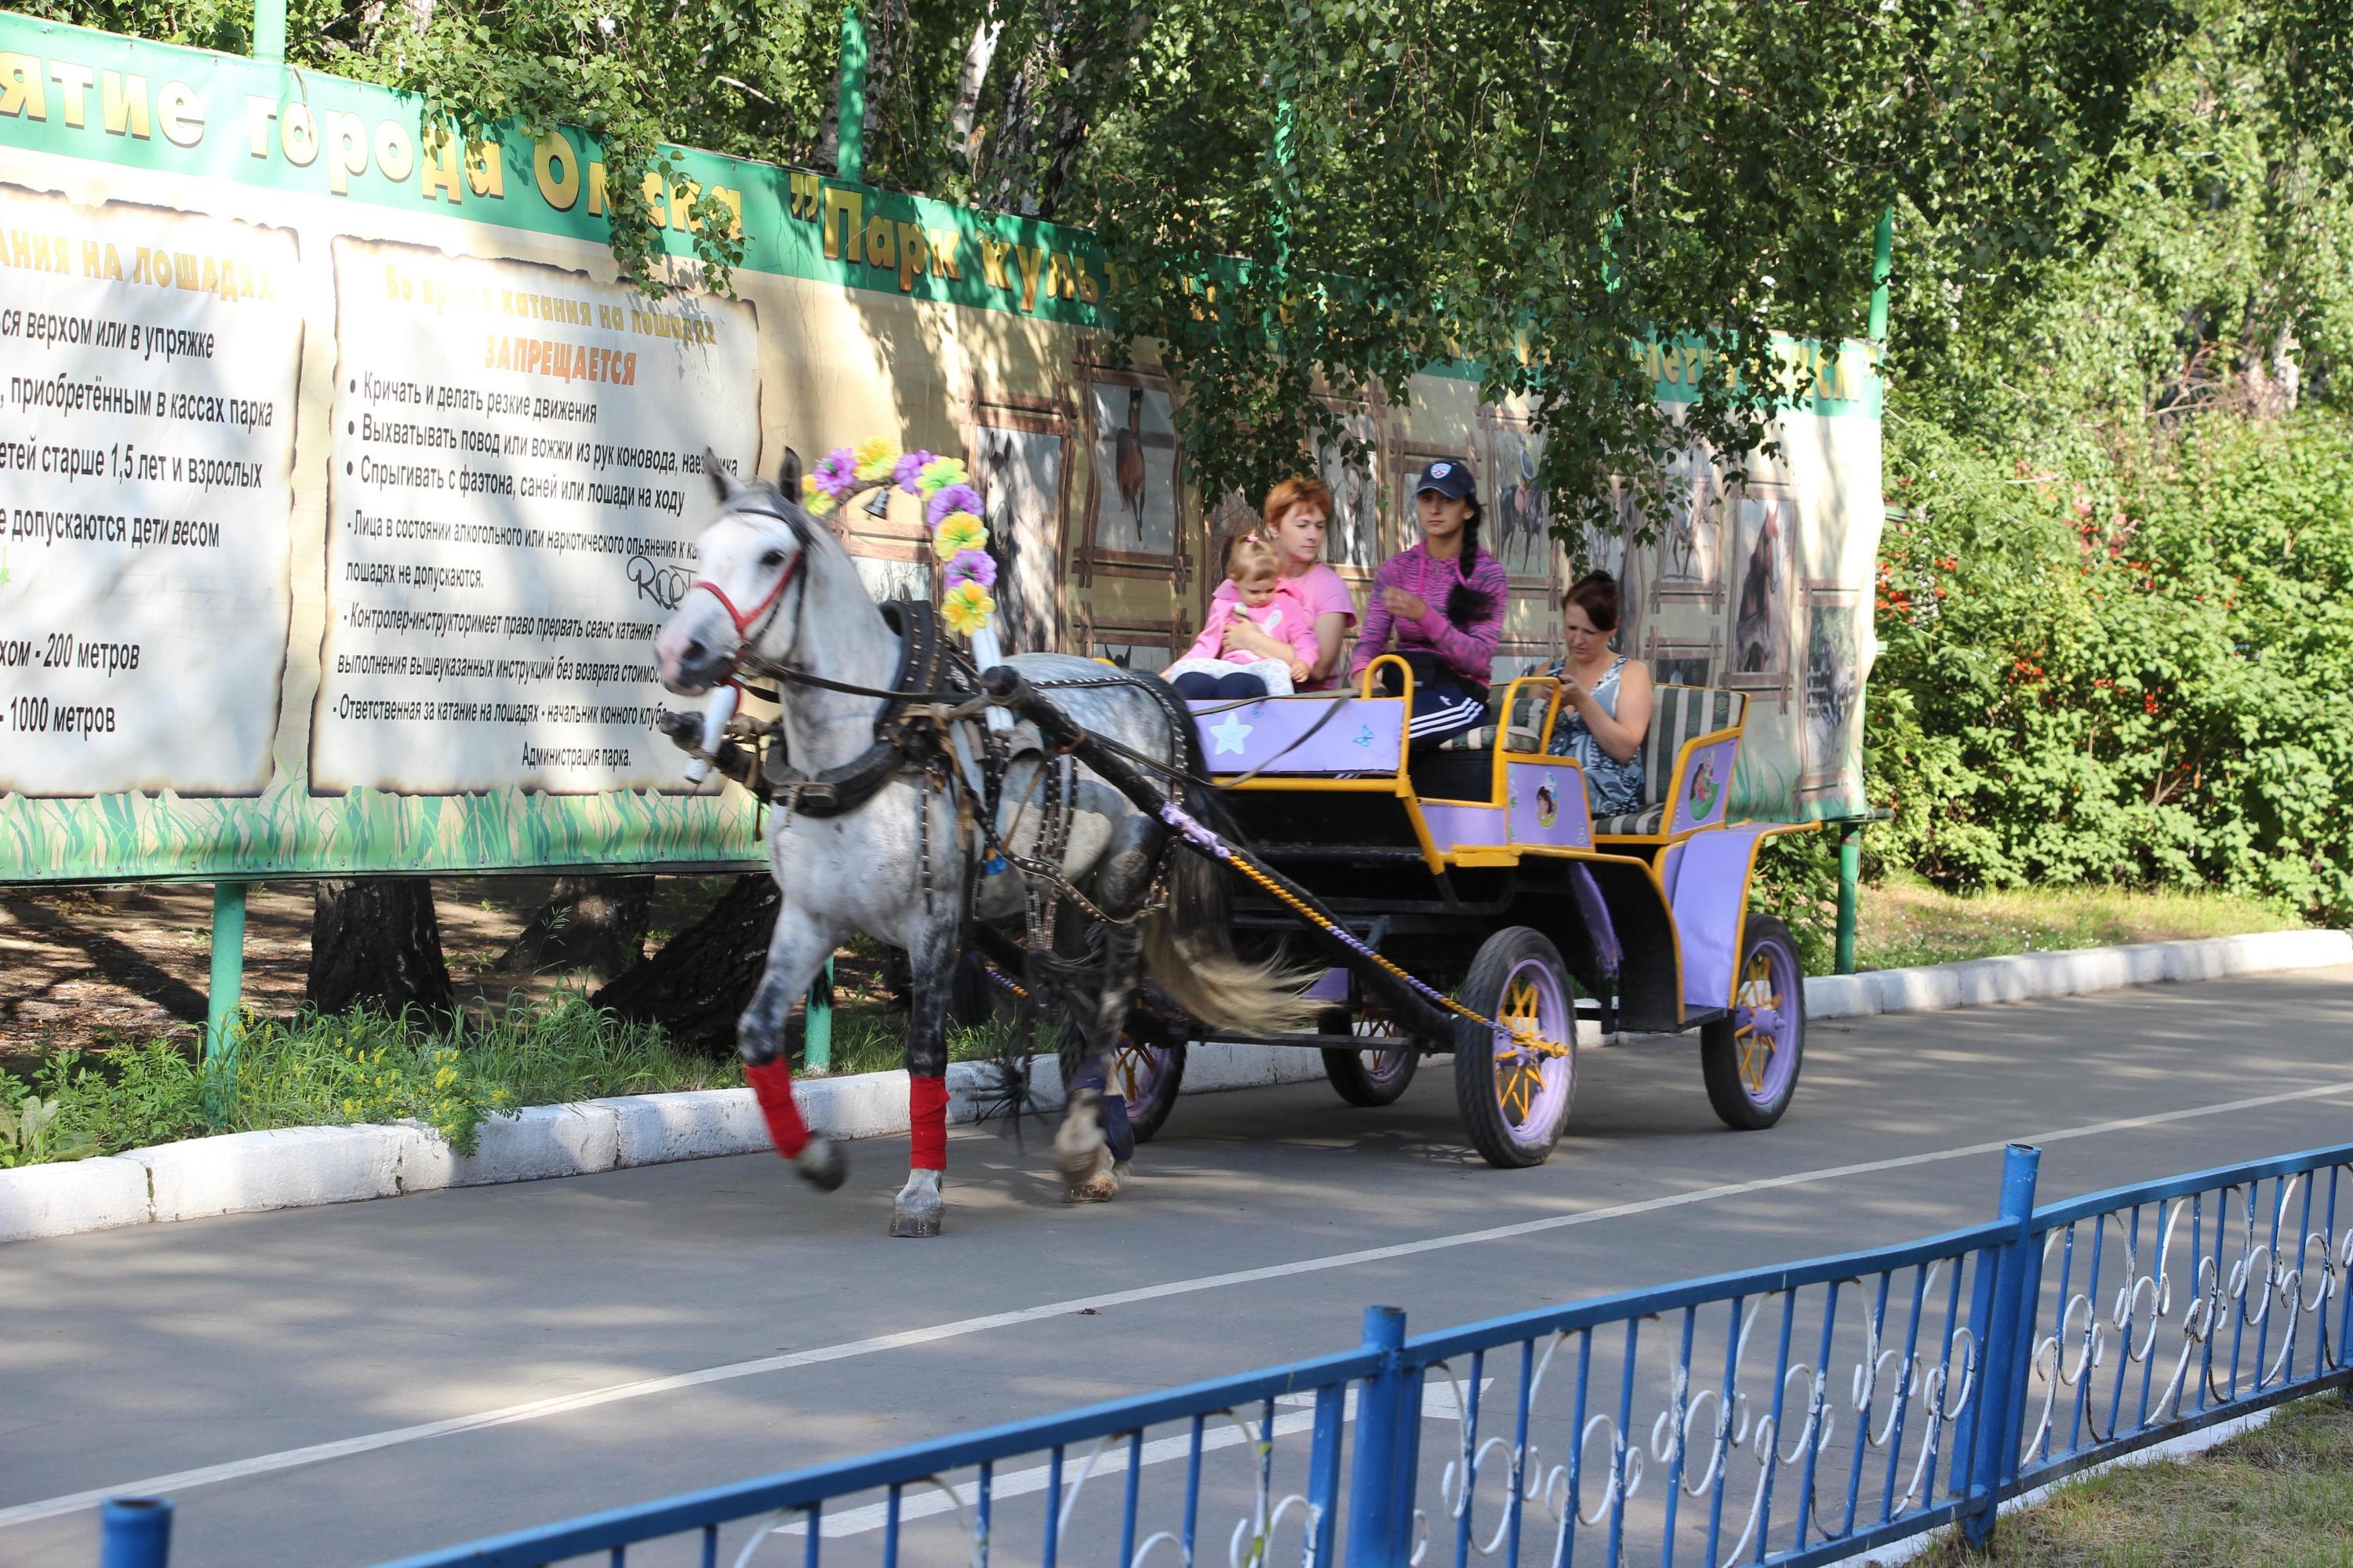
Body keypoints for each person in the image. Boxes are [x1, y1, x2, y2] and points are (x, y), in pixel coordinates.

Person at [1350, 459, 1509, 748]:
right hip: (1403, 688)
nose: (1434, 509)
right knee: (1344, 737)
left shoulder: (1487, 573)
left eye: (1447, 500)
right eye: (1426, 499)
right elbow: (1370, 641)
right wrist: (1363, 675)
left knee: (1378, 739)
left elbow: (1479, 658)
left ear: (1468, 509)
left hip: (1460, 695)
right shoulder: (1396, 568)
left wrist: (1424, 614)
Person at [1208, 477, 1357, 689]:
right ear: (1274, 528)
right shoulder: (1247, 573)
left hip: (1302, 699)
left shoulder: (1330, 587)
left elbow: (1319, 668)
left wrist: (1253, 640)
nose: (1313, 535)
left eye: (1319, 526)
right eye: (1302, 525)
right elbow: (1210, 644)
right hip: (1234, 684)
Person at [1544, 571, 1652, 815]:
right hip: (1546, 788)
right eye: (1571, 628)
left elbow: (1625, 749)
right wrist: (1547, 710)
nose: (1577, 640)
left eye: (1589, 632)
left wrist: (1583, 701)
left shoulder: (1631, 673)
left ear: (1613, 627)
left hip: (1605, 793)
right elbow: (1526, 744)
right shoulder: (1546, 674)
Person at [1163, 534, 1318, 698]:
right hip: (1230, 666)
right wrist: (1172, 671)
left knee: (1279, 669)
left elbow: (1304, 638)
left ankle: (1283, 714)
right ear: (1235, 582)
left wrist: (1304, 661)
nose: (1263, 597)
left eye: (1270, 590)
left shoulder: (1287, 604)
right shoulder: (1224, 604)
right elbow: (1207, 644)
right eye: (1254, 591)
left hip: (1266, 667)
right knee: (1185, 671)